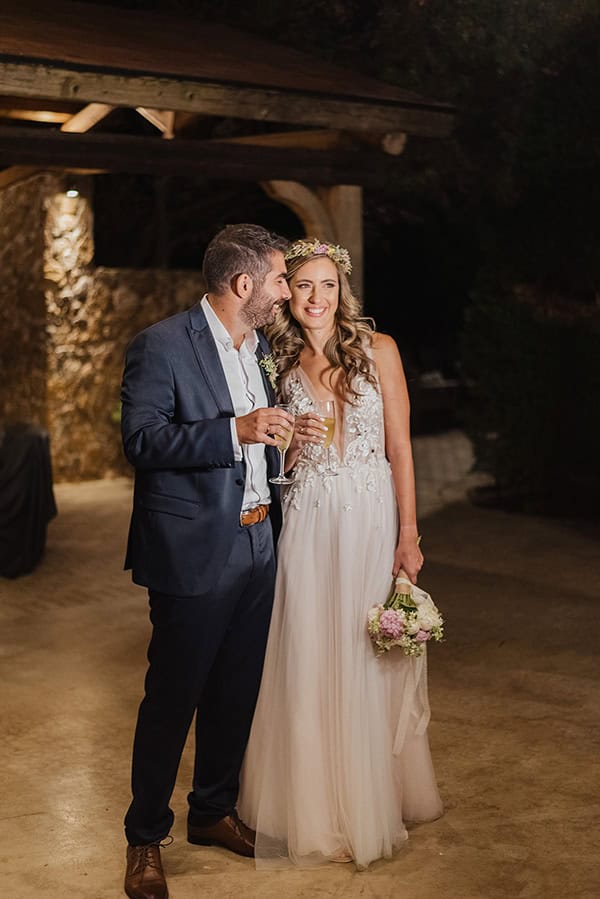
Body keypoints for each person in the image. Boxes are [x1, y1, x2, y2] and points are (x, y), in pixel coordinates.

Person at [238, 237, 443, 870]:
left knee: (363, 649)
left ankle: (371, 798)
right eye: (303, 287)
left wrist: (408, 535)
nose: (316, 298)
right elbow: (281, 463)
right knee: (308, 646)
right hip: (307, 518)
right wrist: (289, 443)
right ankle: (315, 804)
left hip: (369, 517)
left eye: (327, 286)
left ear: (342, 292)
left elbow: (401, 449)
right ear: (287, 296)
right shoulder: (279, 361)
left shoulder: (379, 351)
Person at [120, 224, 293, 899]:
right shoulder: (161, 345)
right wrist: (236, 430)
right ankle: (144, 838)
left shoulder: (260, 351)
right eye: (279, 280)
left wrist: (283, 436)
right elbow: (142, 439)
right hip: (193, 552)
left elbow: (261, 439)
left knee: (235, 688)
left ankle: (213, 811)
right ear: (243, 284)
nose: (285, 292)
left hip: (258, 542)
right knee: (173, 698)